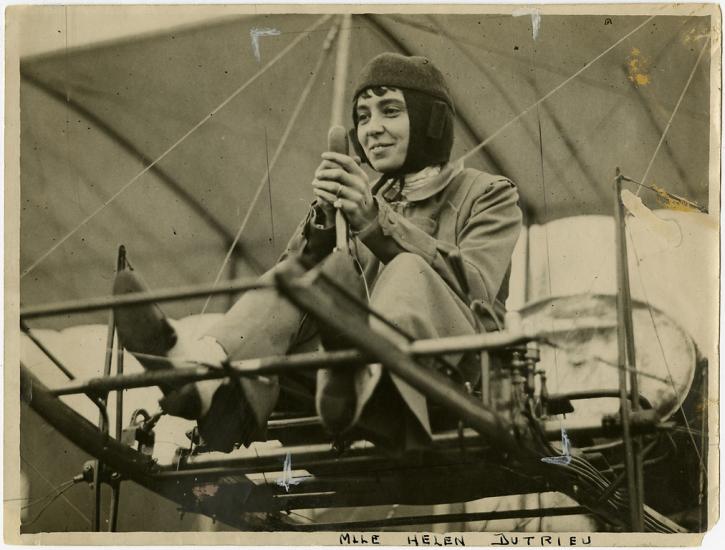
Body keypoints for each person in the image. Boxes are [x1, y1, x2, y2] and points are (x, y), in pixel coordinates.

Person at [113, 52, 523, 453]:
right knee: (288, 281)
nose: (372, 129)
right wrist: (323, 227)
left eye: (389, 111)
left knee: (409, 268)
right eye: (362, 117)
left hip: (449, 380)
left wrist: (376, 223)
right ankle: (203, 379)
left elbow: (478, 287)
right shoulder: (363, 196)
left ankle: (364, 375)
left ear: (432, 120)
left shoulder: (488, 193)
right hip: (333, 391)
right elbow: (291, 291)